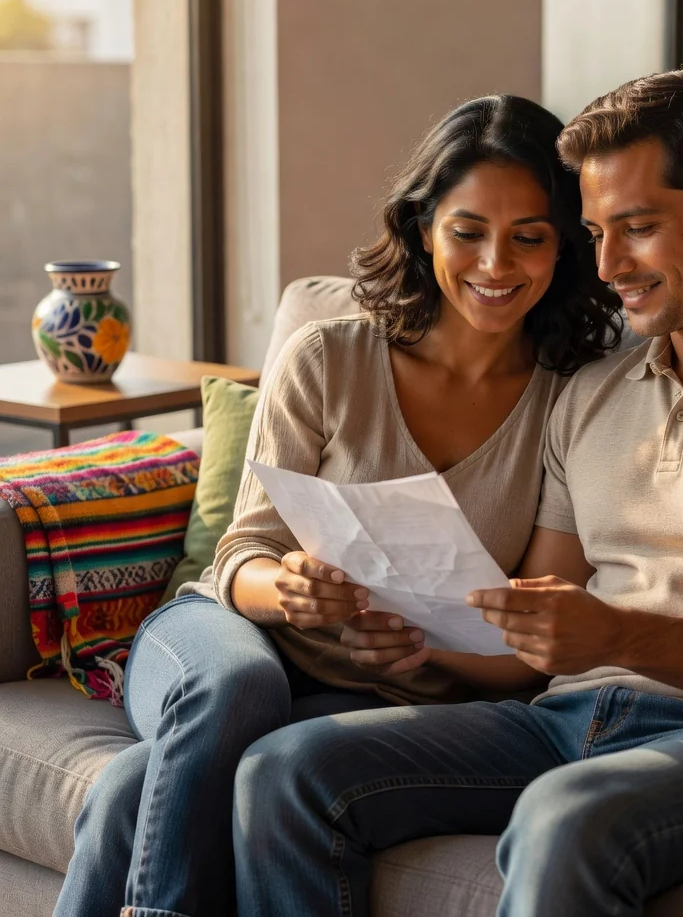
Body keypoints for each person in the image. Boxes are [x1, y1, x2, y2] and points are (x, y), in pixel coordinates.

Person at [230, 68, 683, 917]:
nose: (608, 266)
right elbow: (532, 635)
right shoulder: (594, 391)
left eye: (638, 229)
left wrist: (620, 634)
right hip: (570, 719)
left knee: (564, 817)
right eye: (597, 232)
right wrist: (409, 635)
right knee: (288, 772)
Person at [53, 94, 622, 917]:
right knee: (239, 690)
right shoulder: (328, 355)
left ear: (563, 246)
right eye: (468, 231)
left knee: (138, 788)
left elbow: (531, 643)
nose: (496, 263)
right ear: (425, 229)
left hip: (369, 689)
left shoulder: (571, 397)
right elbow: (239, 555)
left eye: (529, 236)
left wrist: (421, 646)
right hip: (229, 633)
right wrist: (285, 587)